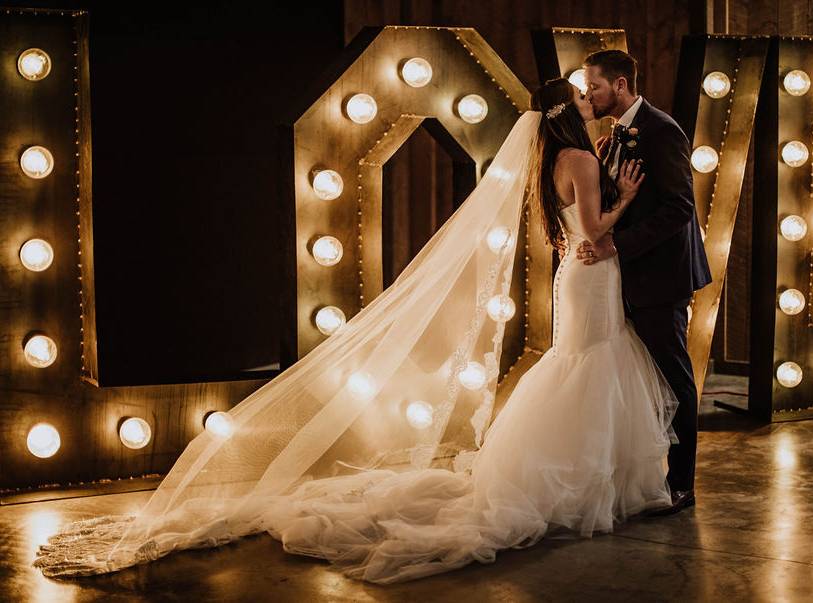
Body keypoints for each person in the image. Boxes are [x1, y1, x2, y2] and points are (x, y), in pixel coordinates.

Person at [35, 79, 678, 584]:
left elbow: (573, 234)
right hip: (592, 275)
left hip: (577, 276)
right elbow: (595, 234)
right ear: (568, 111)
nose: (591, 102)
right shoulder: (583, 161)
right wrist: (622, 196)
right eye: (582, 97)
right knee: (590, 365)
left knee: (581, 364)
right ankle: (586, 483)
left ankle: (576, 476)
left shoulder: (547, 158)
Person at [577, 50, 712, 514]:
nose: (587, 95)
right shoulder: (612, 137)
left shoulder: (660, 130)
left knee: (675, 379)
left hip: (660, 277)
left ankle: (682, 484)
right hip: (628, 279)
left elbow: (679, 208)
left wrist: (617, 244)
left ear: (619, 85)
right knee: (641, 380)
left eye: (593, 86)